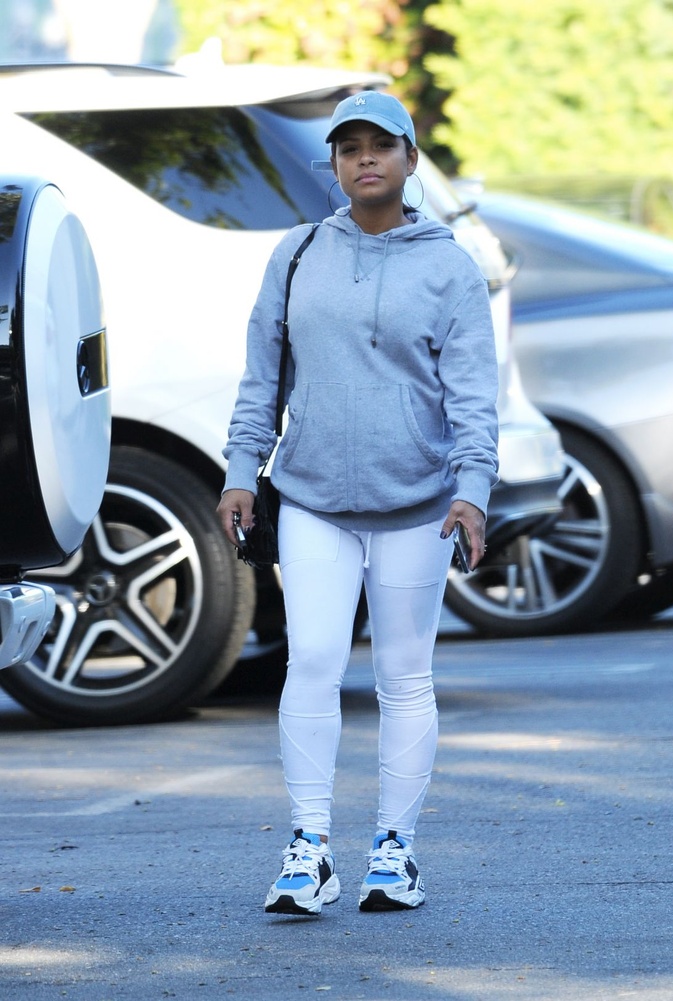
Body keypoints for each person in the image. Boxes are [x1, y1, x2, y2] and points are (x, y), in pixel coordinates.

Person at [216, 90, 499, 916]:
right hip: (313, 496)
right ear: (333, 165)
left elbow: (473, 395)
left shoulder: (449, 267)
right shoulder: (298, 253)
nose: (365, 158)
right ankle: (309, 848)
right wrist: (241, 470)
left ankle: (395, 851)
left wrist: (472, 492)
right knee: (312, 662)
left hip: (418, 502)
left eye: (381, 144)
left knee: (404, 675)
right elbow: (262, 375)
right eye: (349, 148)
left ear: (410, 159)